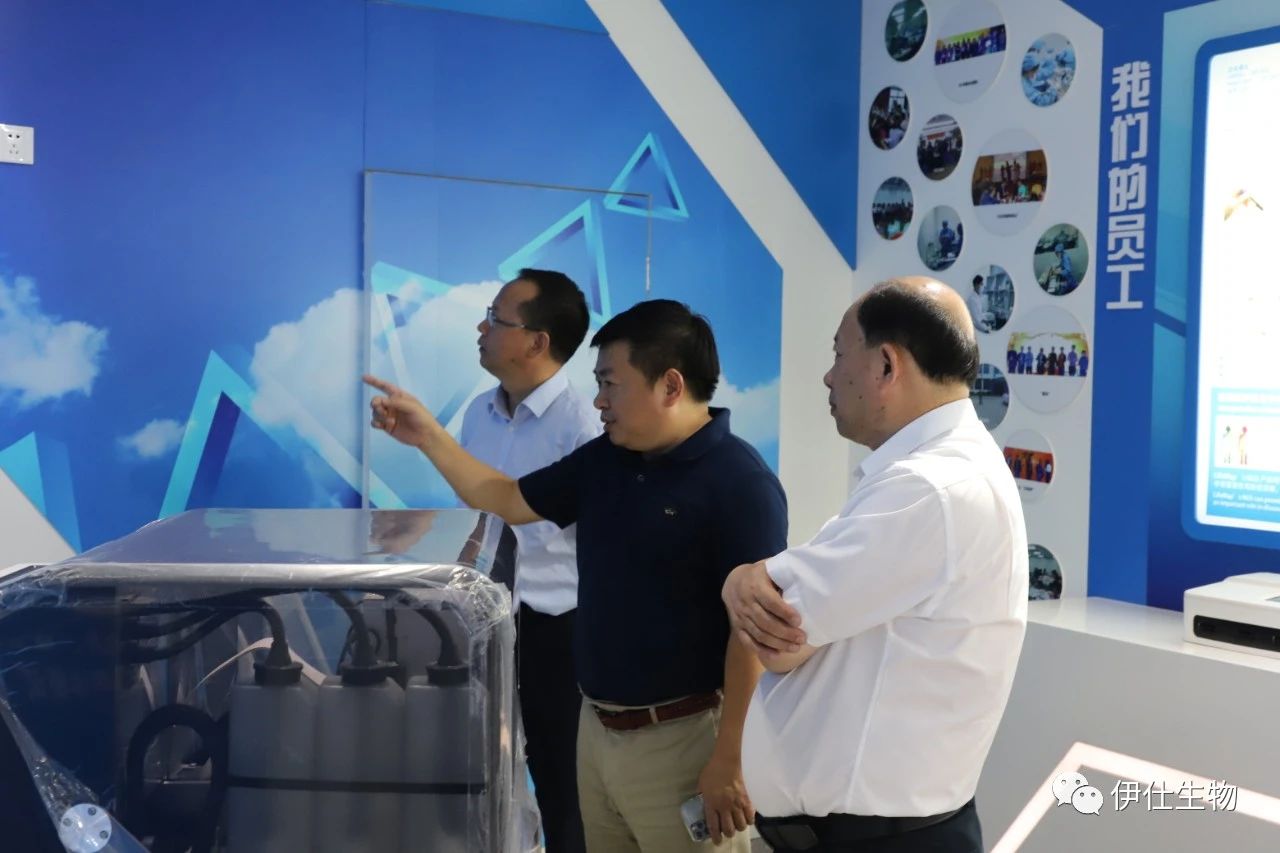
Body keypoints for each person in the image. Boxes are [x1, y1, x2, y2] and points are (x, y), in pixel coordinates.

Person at [366, 299, 788, 852]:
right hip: (597, 733)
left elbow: (751, 636)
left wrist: (730, 759)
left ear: (670, 385)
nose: (599, 401)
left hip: (685, 742)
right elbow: (506, 498)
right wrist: (428, 436)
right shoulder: (606, 460)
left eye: (611, 383)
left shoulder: (741, 484)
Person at [721, 277, 1028, 853]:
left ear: (887, 365)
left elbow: (777, 640)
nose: (828, 376)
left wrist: (741, 579)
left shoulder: (926, 489)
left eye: (839, 355)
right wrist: (749, 584)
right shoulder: (941, 472)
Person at [457, 268, 600, 853]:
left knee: (564, 787)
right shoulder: (477, 413)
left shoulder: (585, 425)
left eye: (496, 319)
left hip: (557, 628)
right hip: (481, 623)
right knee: (477, 775)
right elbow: (475, 522)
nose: (482, 328)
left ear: (538, 342)